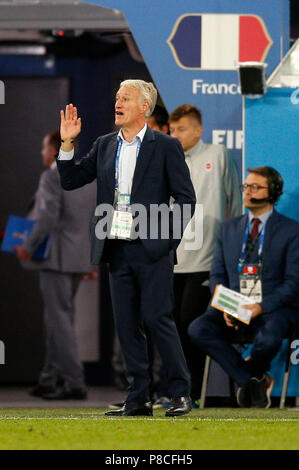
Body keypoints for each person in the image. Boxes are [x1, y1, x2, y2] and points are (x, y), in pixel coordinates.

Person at [56, 79, 196, 417]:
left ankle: (178, 393)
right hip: (116, 247)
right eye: (117, 97)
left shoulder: (165, 146)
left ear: (144, 107)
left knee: (157, 318)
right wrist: (67, 143)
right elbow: (71, 179)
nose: (117, 103)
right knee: (127, 324)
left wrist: (165, 243)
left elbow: (186, 200)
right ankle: (138, 399)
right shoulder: (105, 145)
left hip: (152, 249)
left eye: (126, 98)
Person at [189, 166, 299, 408]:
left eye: (255, 187)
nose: (248, 192)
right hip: (233, 306)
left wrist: (259, 307)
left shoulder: (291, 231)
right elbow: (217, 274)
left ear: (274, 192)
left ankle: (249, 376)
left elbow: (293, 283)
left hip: (271, 308)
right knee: (198, 329)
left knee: (268, 338)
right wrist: (228, 307)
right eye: (246, 186)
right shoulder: (228, 228)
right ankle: (254, 379)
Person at [14, 130, 97, 400]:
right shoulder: (87, 178)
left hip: (56, 258)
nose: (41, 153)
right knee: (57, 319)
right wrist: (91, 260)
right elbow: (94, 220)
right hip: (78, 258)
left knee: (60, 321)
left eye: (42, 148)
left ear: (53, 151)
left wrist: (27, 247)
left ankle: (75, 383)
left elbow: (47, 218)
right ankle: (48, 378)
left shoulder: (52, 175)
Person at [168, 104, 242, 402]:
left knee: (191, 324)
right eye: (172, 130)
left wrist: (232, 251)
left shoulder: (217, 155)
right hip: (173, 260)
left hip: (207, 261)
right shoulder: (167, 158)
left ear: (199, 130)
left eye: (182, 129)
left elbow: (234, 202)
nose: (176, 135)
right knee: (171, 326)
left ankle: (191, 390)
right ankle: (176, 389)